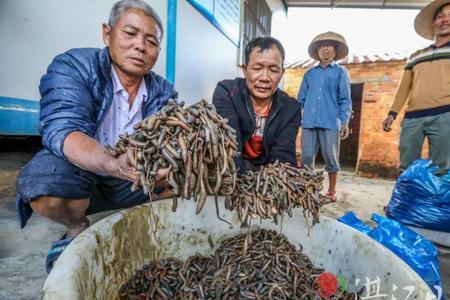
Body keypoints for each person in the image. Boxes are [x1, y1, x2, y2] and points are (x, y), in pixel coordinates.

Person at [15, 0, 177, 272]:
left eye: (151, 41)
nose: (140, 46)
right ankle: (76, 228)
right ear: (107, 33)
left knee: (191, 177)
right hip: (84, 174)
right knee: (45, 183)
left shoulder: (163, 91)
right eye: (130, 33)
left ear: (158, 50)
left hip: (133, 182)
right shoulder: (75, 66)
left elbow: (168, 143)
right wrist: (112, 163)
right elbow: (63, 129)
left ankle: (148, 225)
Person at [212, 37, 302, 173]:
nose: (265, 78)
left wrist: (270, 184)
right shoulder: (227, 93)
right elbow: (229, 145)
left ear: (282, 73)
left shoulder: (291, 108)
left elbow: (283, 156)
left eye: (273, 70)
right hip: (232, 168)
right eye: (257, 68)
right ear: (245, 69)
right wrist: (239, 184)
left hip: (266, 170)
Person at [382, 0, 450, 173]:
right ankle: (405, 201)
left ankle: (435, 202)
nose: (445, 20)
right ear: (433, 23)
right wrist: (392, 113)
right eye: (440, 16)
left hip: (445, 116)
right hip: (413, 118)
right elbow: (404, 88)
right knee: (406, 167)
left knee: (441, 168)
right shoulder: (416, 56)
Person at [297, 31, 352, 202]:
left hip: (330, 122)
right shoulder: (309, 74)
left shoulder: (341, 72)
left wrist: (344, 122)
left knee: (331, 157)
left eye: (329, 46)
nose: (325, 49)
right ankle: (307, 188)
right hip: (309, 122)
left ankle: (332, 190)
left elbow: (345, 99)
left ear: (335, 50)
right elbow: (301, 99)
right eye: (322, 46)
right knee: (306, 157)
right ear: (318, 50)